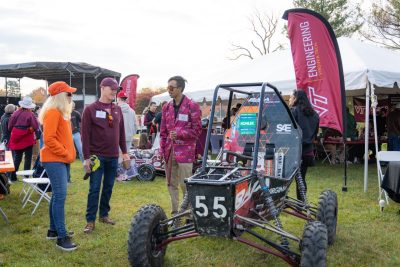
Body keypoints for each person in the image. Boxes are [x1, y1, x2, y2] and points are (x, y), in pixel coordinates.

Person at [81, 77, 130, 233]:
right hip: (97, 157)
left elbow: (121, 133)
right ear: (102, 88)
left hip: (113, 156)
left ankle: (104, 214)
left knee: (108, 187)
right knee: (94, 188)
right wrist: (86, 158)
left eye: (116, 89)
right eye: (112, 88)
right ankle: (90, 220)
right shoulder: (90, 109)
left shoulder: (117, 109)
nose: (115, 91)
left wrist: (125, 152)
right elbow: (85, 136)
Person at [39, 81, 77, 251]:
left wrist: (68, 153)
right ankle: (61, 237)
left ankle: (53, 231)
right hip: (55, 159)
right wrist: (66, 153)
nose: (71, 96)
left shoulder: (60, 113)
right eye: (69, 94)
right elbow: (49, 140)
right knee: (60, 196)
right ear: (61, 95)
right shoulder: (53, 112)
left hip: (60, 159)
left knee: (56, 196)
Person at [160, 75, 202, 215]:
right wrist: (163, 149)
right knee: (171, 183)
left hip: (185, 152)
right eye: (168, 87)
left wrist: (180, 133)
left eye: (171, 87)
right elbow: (163, 132)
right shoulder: (166, 107)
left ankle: (188, 212)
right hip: (169, 150)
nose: (169, 90)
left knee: (185, 184)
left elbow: (197, 130)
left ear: (180, 88)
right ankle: (175, 212)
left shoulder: (192, 105)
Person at [289, 90, 319, 200]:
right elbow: (315, 134)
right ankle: (301, 203)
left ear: (296, 99)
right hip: (307, 151)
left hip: (294, 151)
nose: (289, 100)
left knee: (283, 178)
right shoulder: (315, 114)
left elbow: (289, 131)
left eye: (291, 98)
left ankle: (282, 202)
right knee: (301, 178)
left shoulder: (294, 111)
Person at [8, 96, 39, 182]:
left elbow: (10, 126)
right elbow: (35, 126)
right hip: (27, 138)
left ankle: (12, 177)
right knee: (27, 158)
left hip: (16, 137)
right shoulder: (31, 114)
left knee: (17, 158)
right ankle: (26, 176)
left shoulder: (15, 113)